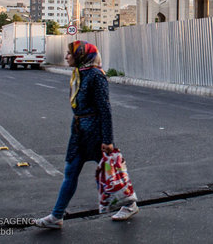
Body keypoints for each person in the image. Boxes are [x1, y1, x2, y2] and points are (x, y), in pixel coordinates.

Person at [35, 41, 138, 229]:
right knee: (70, 171)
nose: (66, 57)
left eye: (69, 53)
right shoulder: (78, 74)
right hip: (79, 132)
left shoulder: (96, 76)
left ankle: (129, 204)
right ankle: (56, 216)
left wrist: (107, 140)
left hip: (95, 133)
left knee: (111, 171)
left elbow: (105, 109)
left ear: (81, 56)